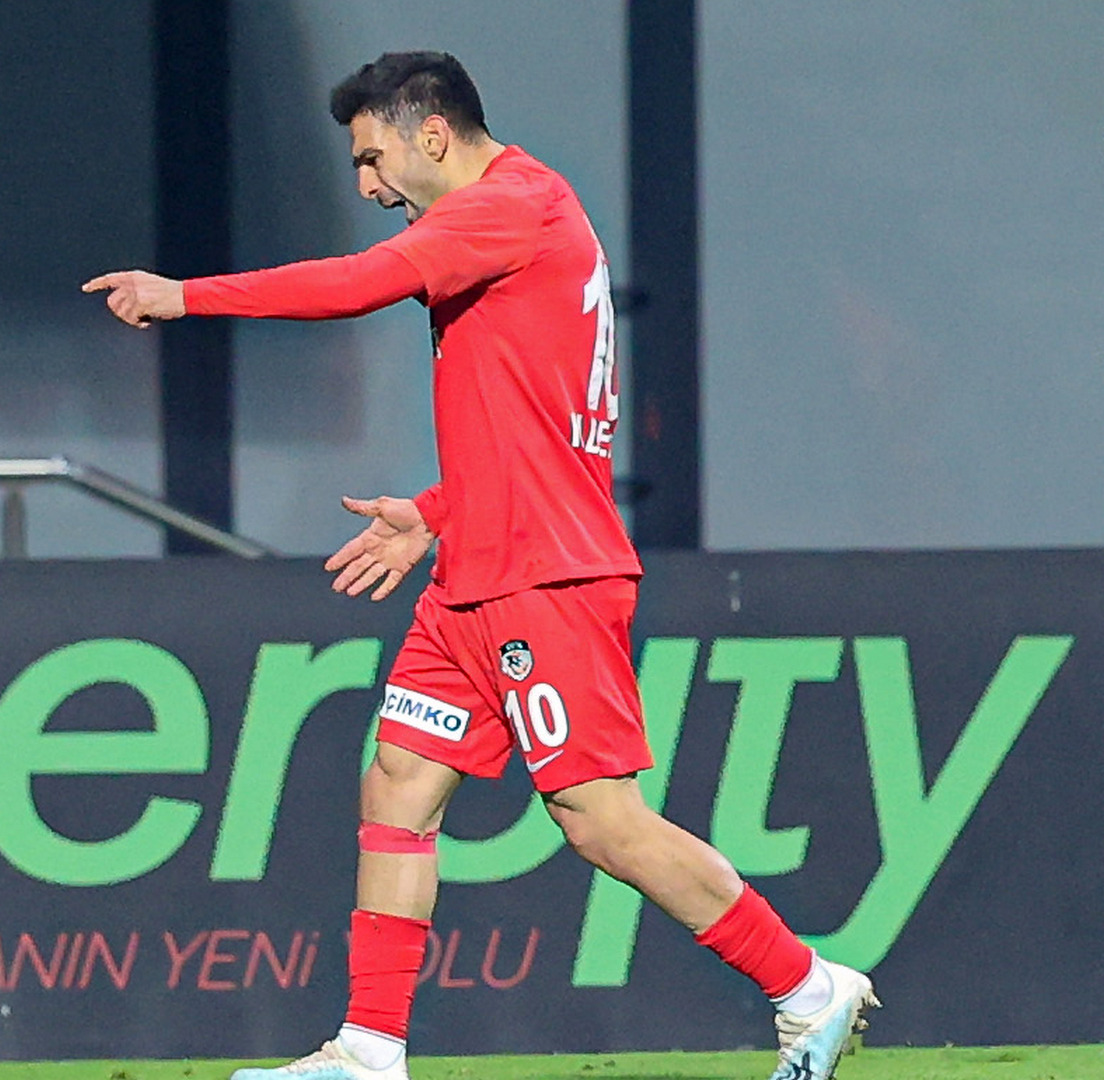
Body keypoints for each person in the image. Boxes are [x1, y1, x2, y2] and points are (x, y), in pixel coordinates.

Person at [85, 52, 877, 1080]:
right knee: (399, 783)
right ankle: (369, 1051)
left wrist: (185, 295)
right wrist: (432, 512)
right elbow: (537, 426)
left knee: (600, 822)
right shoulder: (522, 217)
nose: (367, 185)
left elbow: (355, 285)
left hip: (542, 577)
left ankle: (807, 987)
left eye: (372, 158)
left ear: (431, 134)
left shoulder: (509, 207)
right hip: (477, 567)